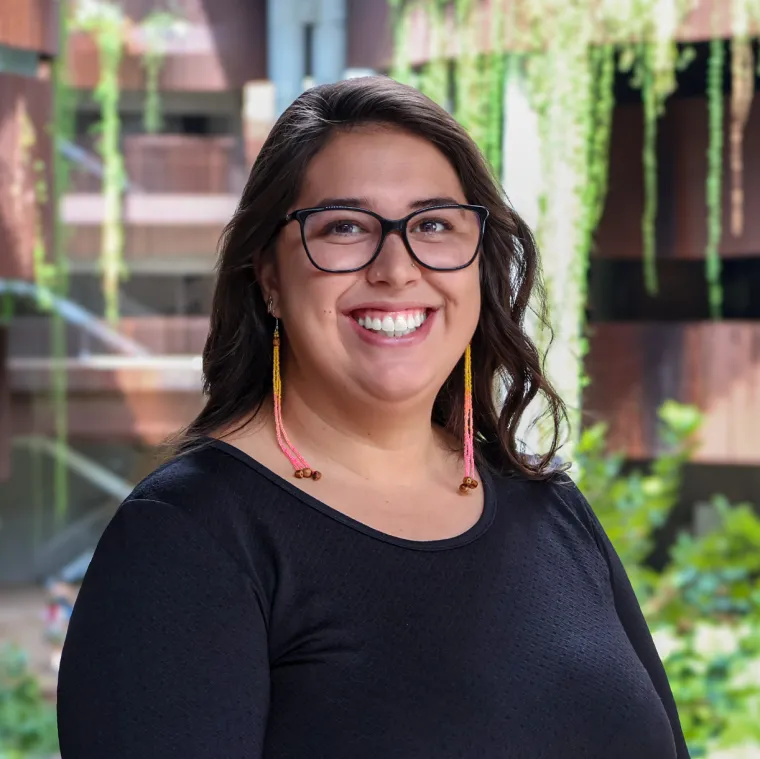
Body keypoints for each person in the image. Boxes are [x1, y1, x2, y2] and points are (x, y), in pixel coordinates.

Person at [56, 76, 690, 759]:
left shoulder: (549, 507)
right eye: (345, 227)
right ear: (268, 275)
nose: (397, 268)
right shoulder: (187, 540)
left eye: (435, 224)